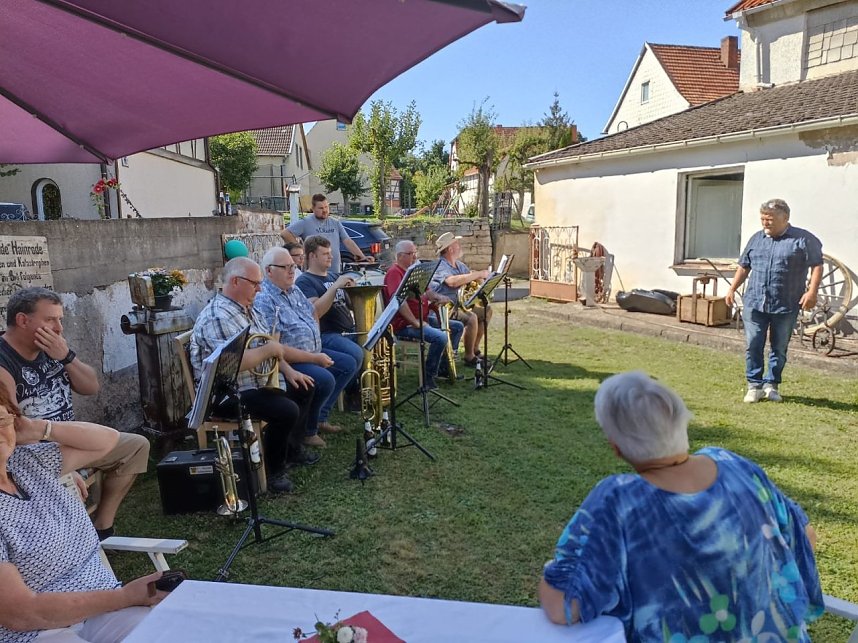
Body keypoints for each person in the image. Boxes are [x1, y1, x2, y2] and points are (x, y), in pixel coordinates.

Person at [539, 371, 823, 642]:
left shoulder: (620, 500)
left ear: (616, 448)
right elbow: (806, 536)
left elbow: (561, 605)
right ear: (681, 423)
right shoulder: (736, 466)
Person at [0, 389, 168, 642]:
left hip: (102, 604)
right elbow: (20, 613)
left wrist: (39, 429)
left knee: (167, 633)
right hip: (37, 631)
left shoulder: (28, 462)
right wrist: (125, 597)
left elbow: (108, 441)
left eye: (1, 420)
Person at [0, 287, 149, 541]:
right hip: (35, 451)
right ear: (22, 320)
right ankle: (73, 538)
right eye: (50, 319)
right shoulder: (4, 362)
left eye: (60, 320)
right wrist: (62, 468)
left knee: (136, 446)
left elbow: (91, 387)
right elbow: (14, 430)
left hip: (70, 438)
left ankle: (102, 527)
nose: (59, 328)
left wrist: (66, 357)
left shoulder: (51, 347)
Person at [189, 257, 319, 494]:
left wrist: (289, 370)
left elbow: (268, 345)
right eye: (255, 283)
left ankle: (289, 451)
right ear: (235, 281)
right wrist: (269, 350)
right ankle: (272, 471)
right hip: (224, 395)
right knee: (286, 410)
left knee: (304, 386)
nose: (260, 289)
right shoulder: (218, 316)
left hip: (252, 384)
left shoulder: (247, 309)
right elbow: (232, 363)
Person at [254, 247, 359, 449]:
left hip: (312, 351)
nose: (291, 271)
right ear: (269, 271)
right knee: (324, 379)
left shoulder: (293, 290)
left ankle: (319, 417)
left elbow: (313, 313)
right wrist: (314, 358)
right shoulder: (265, 298)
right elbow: (272, 345)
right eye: (285, 267)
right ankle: (308, 431)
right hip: (289, 359)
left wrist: (315, 343)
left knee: (348, 363)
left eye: (293, 266)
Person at [725, 199, 823, 403]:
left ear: (785, 218)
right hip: (755, 301)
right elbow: (744, 266)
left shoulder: (803, 239)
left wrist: (812, 292)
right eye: (763, 219)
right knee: (753, 343)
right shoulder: (756, 239)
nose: (765, 223)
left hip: (786, 303)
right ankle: (754, 385)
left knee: (779, 347)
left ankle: (771, 385)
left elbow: (817, 265)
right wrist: (732, 288)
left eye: (769, 219)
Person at [383, 240, 464, 389]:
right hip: (404, 324)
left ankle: (444, 368)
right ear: (400, 256)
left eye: (415, 252)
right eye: (410, 253)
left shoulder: (414, 271)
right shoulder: (394, 273)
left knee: (457, 327)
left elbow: (428, 292)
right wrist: (415, 323)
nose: (415, 256)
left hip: (422, 318)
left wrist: (439, 297)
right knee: (440, 337)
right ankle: (428, 376)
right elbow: (399, 302)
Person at [295, 236, 366, 380]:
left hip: (349, 330)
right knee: (357, 353)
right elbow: (315, 312)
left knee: (375, 344)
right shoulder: (304, 281)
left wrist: (353, 292)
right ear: (312, 256)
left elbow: (352, 306)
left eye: (330, 253)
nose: (331, 257)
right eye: (325, 254)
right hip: (327, 334)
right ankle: (351, 389)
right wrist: (334, 287)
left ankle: (362, 384)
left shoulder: (335, 276)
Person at [430, 232, 492, 367]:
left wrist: (479, 278)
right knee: (471, 317)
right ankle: (469, 357)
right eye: (457, 244)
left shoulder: (459, 265)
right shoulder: (440, 266)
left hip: (459, 305)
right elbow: (452, 282)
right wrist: (478, 274)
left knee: (486, 311)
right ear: (450, 249)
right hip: (444, 308)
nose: (460, 246)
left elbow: (469, 278)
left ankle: (475, 349)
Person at [281, 194, 371, 272]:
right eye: (320, 208)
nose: (324, 210)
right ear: (313, 209)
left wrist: (362, 257)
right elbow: (285, 234)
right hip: (313, 274)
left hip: (334, 271)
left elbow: (347, 241)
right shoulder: (306, 222)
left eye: (326, 207)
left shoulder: (335, 223)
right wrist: (301, 251)